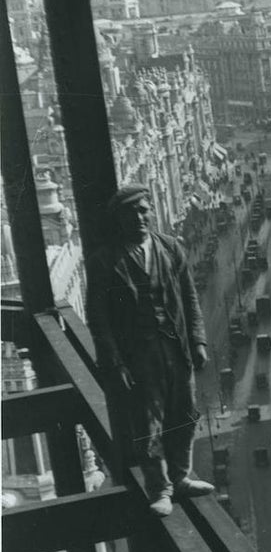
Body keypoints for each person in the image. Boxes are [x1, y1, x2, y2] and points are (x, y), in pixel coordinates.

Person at [87, 185, 214, 516]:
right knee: (148, 422)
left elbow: (189, 299)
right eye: (131, 213)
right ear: (119, 219)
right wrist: (115, 362)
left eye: (144, 211)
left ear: (151, 212)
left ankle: (181, 477)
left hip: (175, 346)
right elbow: (98, 319)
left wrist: (198, 340)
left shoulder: (170, 248)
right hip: (138, 355)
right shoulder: (105, 262)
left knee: (184, 413)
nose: (139, 218)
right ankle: (159, 488)